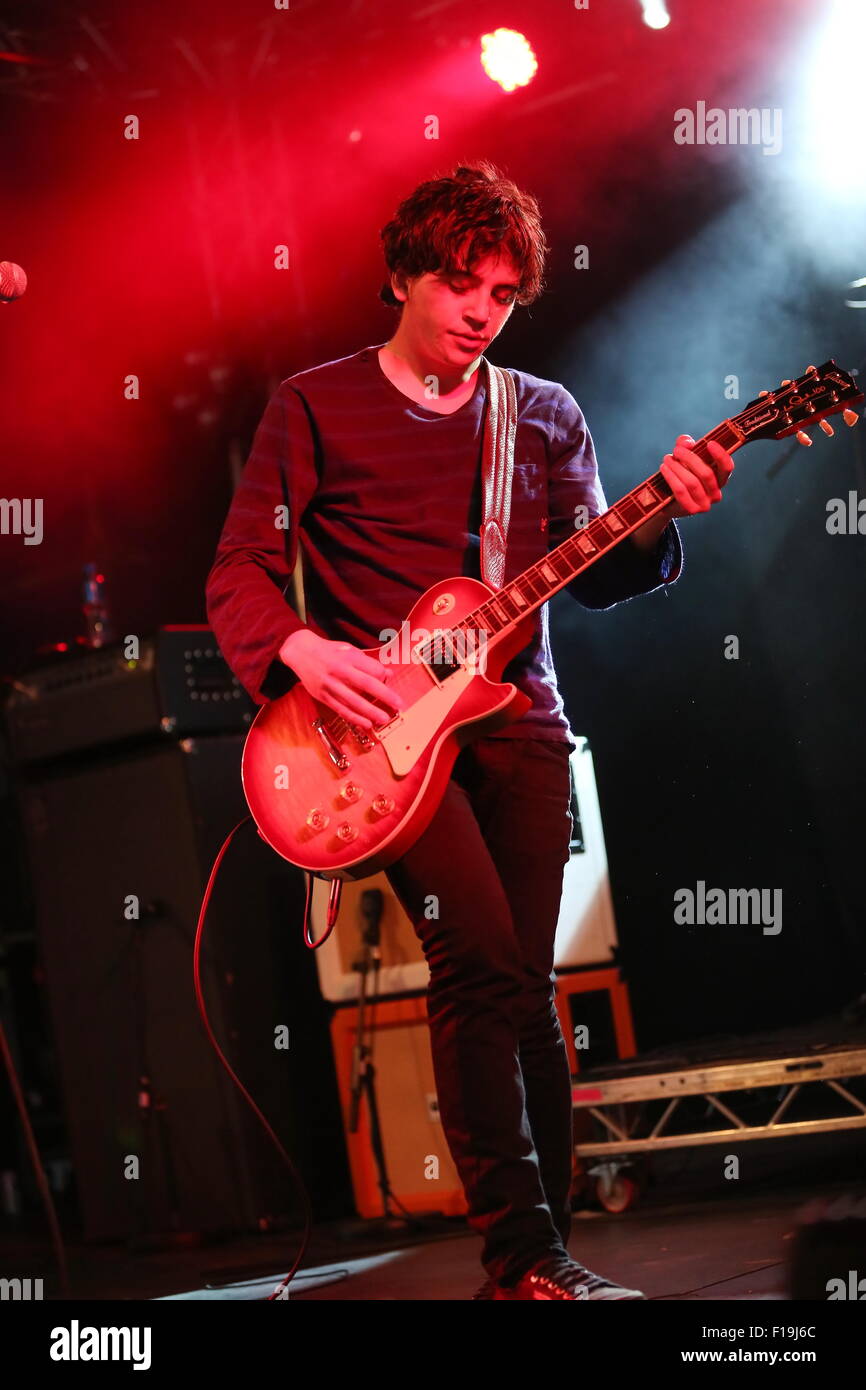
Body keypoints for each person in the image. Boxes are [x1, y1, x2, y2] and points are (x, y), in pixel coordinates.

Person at [205, 161, 735, 1300]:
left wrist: (658, 520)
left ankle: (544, 1259)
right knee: (483, 960)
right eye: (458, 283)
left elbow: (589, 576)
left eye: (501, 292)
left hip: (517, 722)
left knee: (525, 985)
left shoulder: (540, 415)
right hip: (380, 743)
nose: (479, 310)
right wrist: (306, 651)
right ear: (403, 275)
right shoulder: (313, 403)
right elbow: (241, 567)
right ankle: (521, 1257)